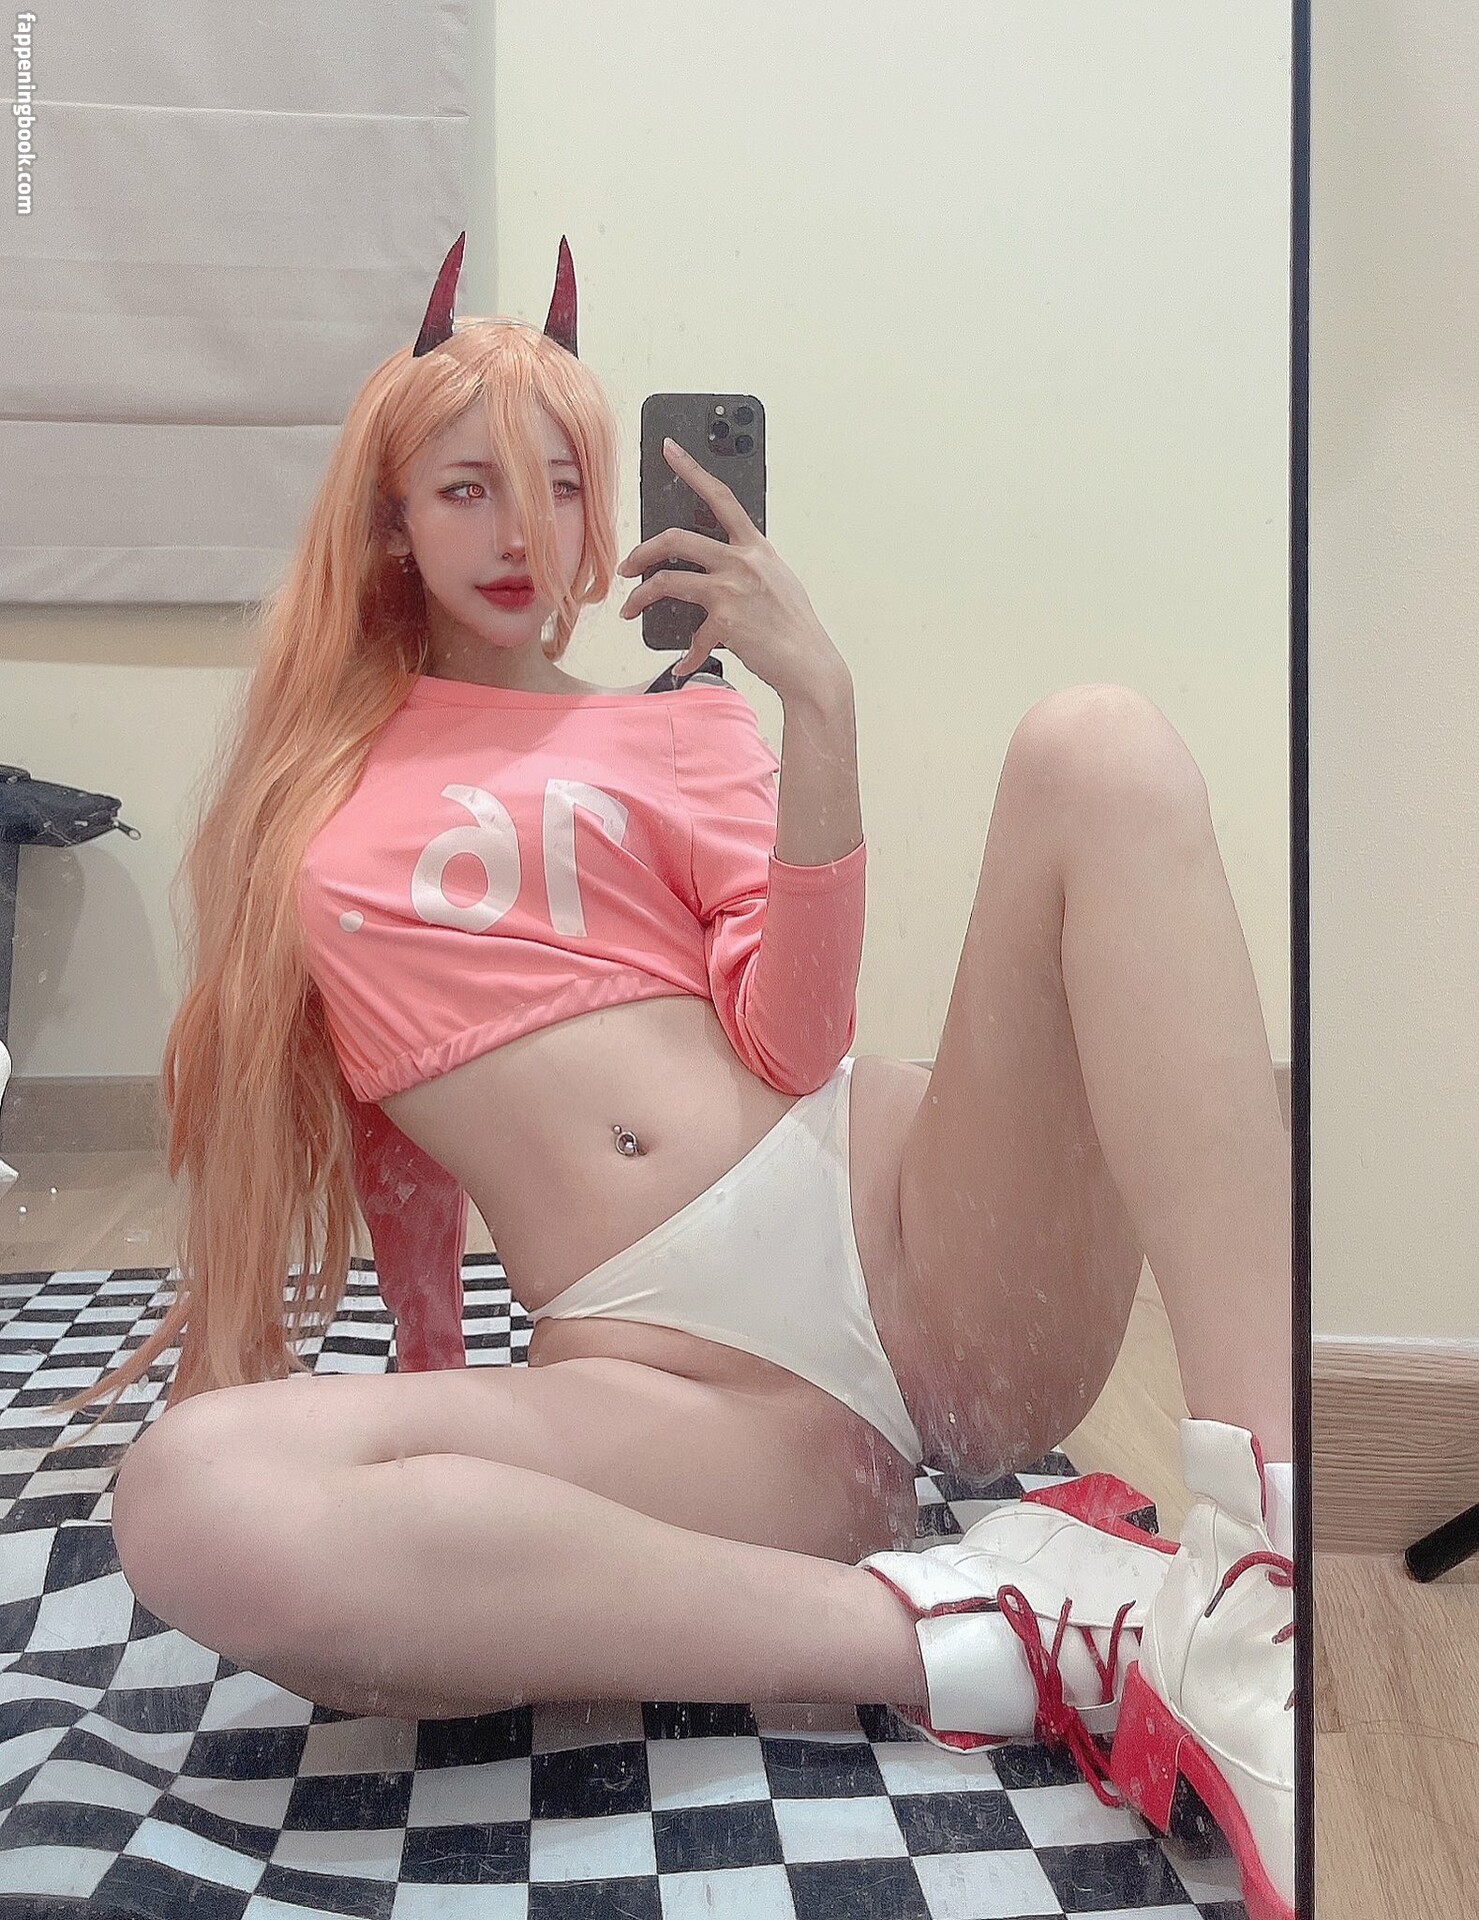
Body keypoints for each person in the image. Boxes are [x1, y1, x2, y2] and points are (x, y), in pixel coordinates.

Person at [47, 235, 1295, 1920]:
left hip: (927, 1243)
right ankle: (986, 1632)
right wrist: (434, 1419)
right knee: (195, 1495)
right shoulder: (313, 802)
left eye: (562, 486)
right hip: (694, 1392)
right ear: (391, 520)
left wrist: (819, 710)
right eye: (468, 488)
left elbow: (794, 1042)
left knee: (1103, 744)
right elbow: (388, 1141)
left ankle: (1261, 1569)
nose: (521, 533)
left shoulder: (691, 722)